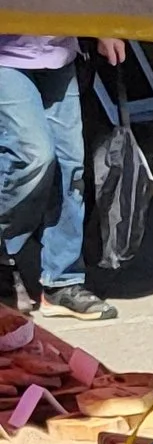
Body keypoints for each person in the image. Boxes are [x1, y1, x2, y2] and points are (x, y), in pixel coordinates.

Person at [0, 35, 121, 321]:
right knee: (33, 156)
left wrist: (104, 29)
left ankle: (61, 281)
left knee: (71, 169)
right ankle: (7, 253)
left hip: (59, 51)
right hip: (6, 54)